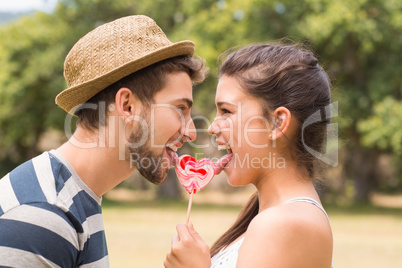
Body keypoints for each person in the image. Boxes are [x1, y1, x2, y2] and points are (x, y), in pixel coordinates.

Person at [0, 15, 207, 267]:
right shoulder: (43, 217)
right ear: (127, 106)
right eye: (180, 109)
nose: (191, 133)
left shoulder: (77, 198)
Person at [164, 42, 333, 267]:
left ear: (277, 122)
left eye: (226, 111)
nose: (212, 128)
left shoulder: (283, 224)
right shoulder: (272, 218)